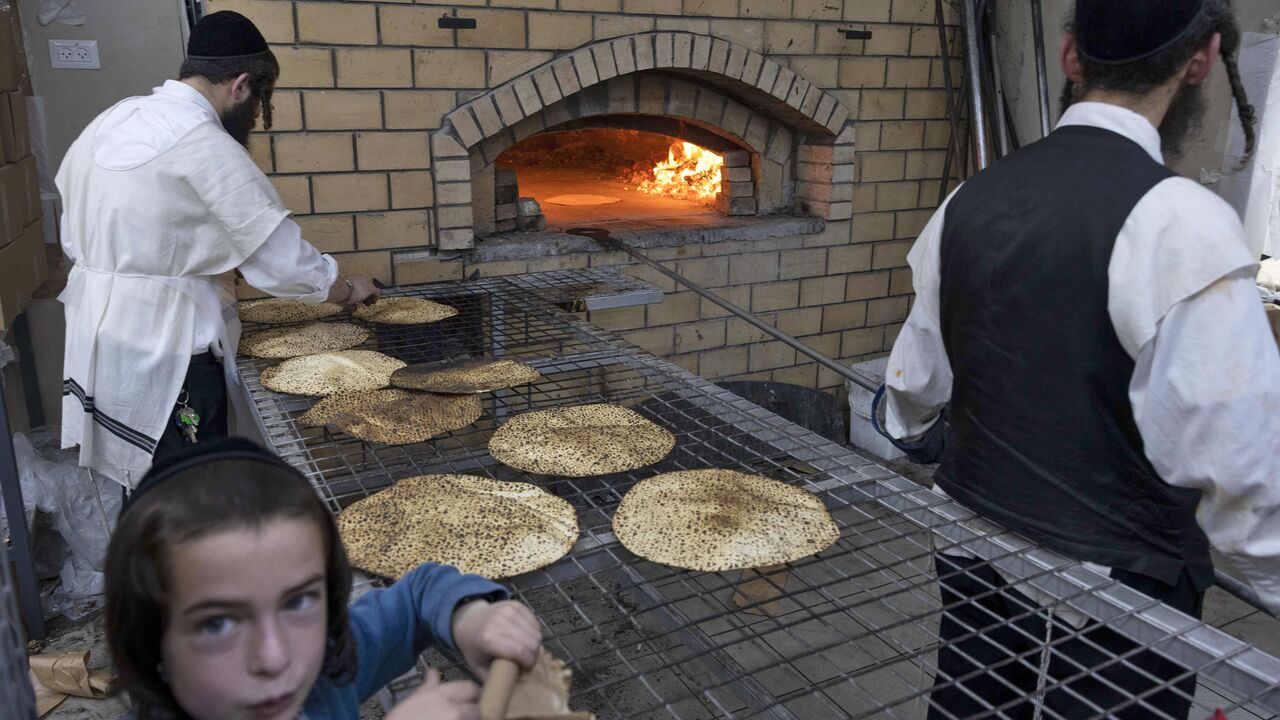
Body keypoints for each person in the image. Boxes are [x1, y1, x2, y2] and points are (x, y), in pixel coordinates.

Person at [879, 0, 1279, 717]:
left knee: (972, 706)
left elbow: (913, 385)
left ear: (1071, 59)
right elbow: (1240, 470)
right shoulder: (1184, 225)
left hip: (973, 537)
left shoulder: (972, 197)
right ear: (1203, 59)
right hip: (1124, 590)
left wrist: (913, 435)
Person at [55, 11, 380, 489]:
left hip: (98, 331)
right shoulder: (206, 145)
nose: (253, 117)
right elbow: (285, 265)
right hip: (167, 348)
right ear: (241, 85)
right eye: (258, 103)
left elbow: (135, 222)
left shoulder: (116, 118)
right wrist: (348, 289)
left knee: (149, 486)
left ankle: (150, 562)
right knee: (193, 490)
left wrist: (209, 258)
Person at [105, 437, 542, 720]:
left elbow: (417, 594)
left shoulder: (322, 670)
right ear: (148, 639)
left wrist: (469, 617)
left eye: (297, 602)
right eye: (216, 623)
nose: (275, 657)